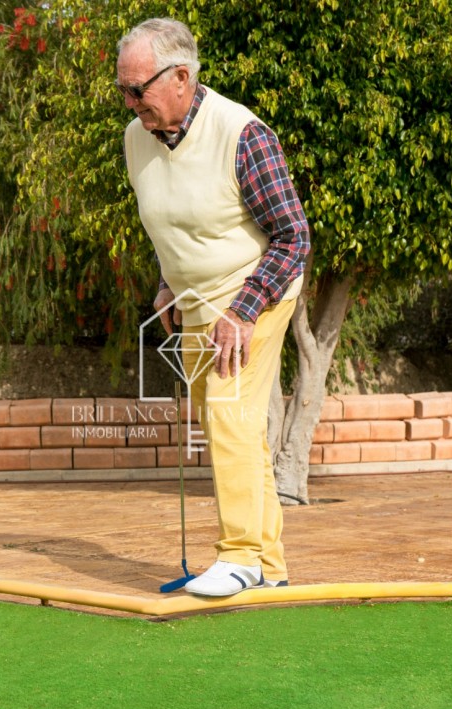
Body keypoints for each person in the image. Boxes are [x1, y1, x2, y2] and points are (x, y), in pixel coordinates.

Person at [117, 19, 311, 596]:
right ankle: (270, 568)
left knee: (228, 415)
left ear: (181, 77)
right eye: (122, 90)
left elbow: (293, 237)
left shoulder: (242, 134)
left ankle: (240, 557)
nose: (130, 102)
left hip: (258, 290)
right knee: (233, 428)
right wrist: (168, 282)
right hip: (198, 299)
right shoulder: (136, 138)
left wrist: (243, 311)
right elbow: (172, 223)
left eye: (138, 89)